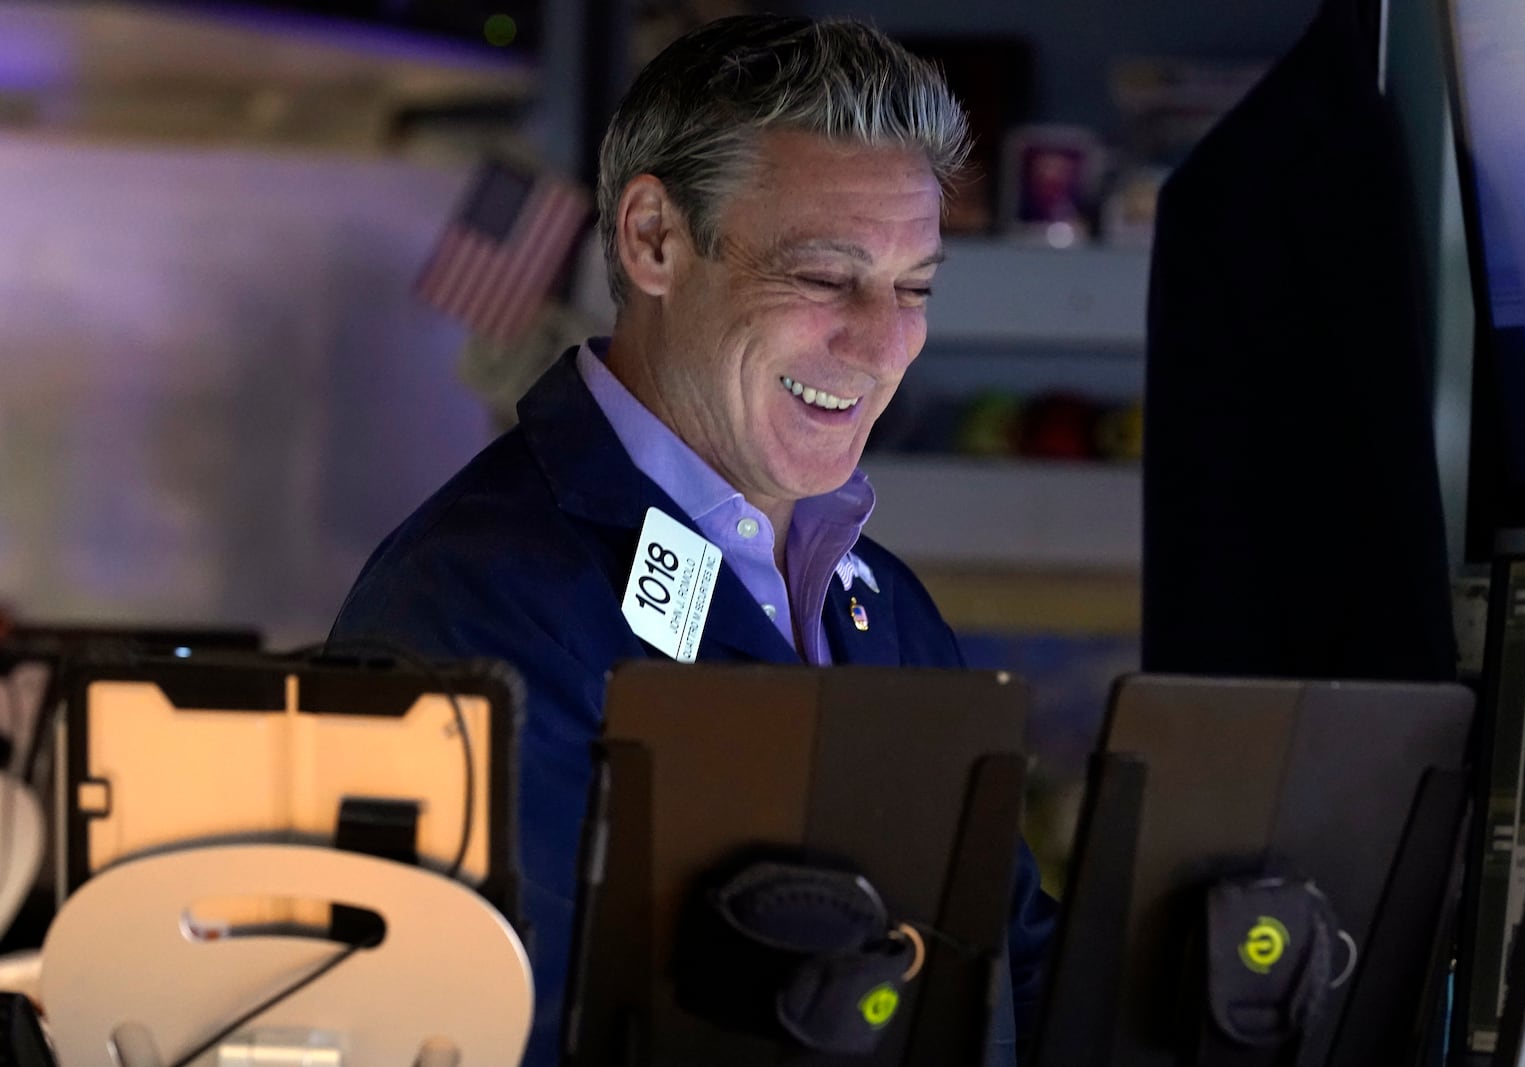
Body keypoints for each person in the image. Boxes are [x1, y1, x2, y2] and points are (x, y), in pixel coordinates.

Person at [330, 14, 1056, 1064]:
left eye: (915, 288)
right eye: (822, 277)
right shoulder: (472, 599)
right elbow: (500, 1032)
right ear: (652, 240)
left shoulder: (883, 603)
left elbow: (1014, 967)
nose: (883, 339)